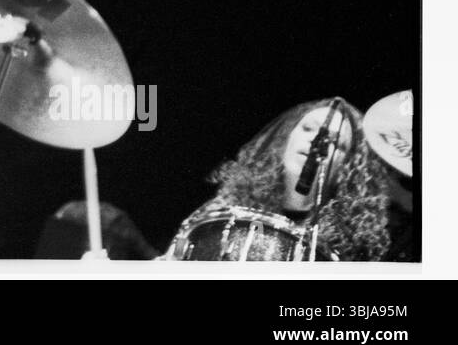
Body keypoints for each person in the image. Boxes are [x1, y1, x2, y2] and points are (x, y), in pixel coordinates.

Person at [169, 98, 395, 261]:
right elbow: (177, 254)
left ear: (349, 168)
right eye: (308, 129)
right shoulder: (230, 203)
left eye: (336, 142)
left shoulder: (349, 242)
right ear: (286, 139)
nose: (317, 141)